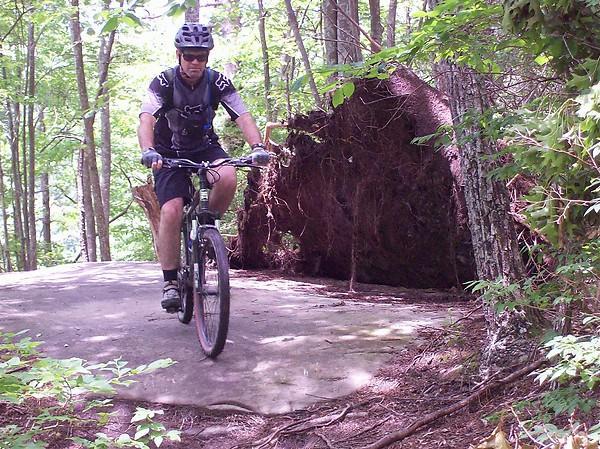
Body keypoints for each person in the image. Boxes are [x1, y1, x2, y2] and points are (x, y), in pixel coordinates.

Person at [138, 23, 266, 311]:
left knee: (228, 177)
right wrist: (148, 150)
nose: (195, 62)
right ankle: (170, 281)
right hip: (167, 152)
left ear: (208, 57)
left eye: (201, 56)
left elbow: (242, 116)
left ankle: (206, 224)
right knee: (171, 209)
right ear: (179, 55)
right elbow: (146, 118)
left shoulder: (218, 82)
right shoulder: (164, 82)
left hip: (204, 147)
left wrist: (257, 147)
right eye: (189, 56)